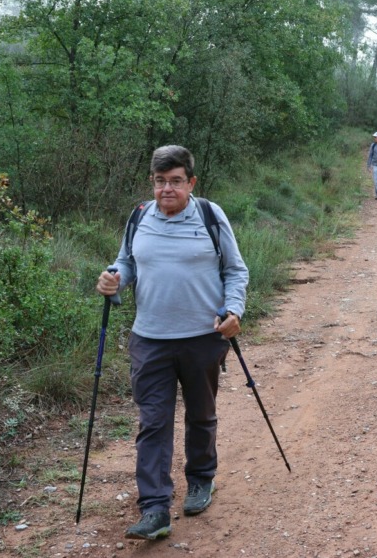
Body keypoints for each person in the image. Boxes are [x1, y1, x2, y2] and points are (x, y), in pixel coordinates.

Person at [95, 145, 249, 541]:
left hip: (203, 337)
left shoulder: (210, 216)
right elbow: (126, 262)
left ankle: (200, 479)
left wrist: (234, 310)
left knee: (201, 414)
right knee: (153, 422)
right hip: (150, 338)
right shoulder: (139, 216)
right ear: (152, 182)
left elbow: (235, 270)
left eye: (176, 181)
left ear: (191, 182)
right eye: (160, 181)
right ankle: (154, 508)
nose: (167, 189)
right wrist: (114, 278)